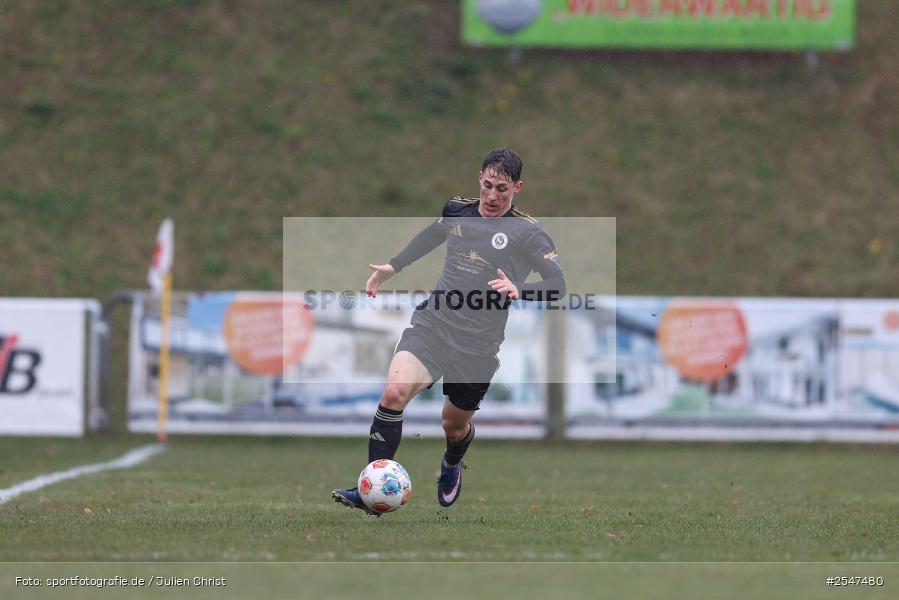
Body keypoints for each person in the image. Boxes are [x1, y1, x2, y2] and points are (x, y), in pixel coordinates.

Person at [332, 148, 565, 514]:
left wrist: (522, 290)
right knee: (393, 393)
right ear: (479, 179)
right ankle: (369, 491)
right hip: (434, 324)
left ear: (517, 187)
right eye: (487, 185)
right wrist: (394, 266)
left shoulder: (528, 233)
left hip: (477, 345)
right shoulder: (457, 210)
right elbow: (432, 235)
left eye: (502, 188)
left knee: (452, 426)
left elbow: (558, 285)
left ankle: (453, 460)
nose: (492, 196)